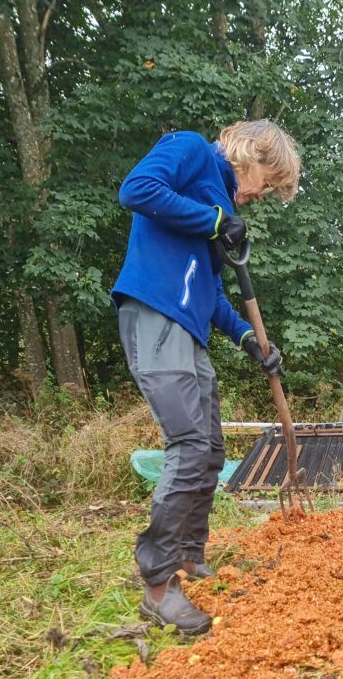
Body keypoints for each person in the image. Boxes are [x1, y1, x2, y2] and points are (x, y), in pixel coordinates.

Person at [113, 121, 301, 633]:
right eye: (268, 178)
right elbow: (136, 189)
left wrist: (249, 340)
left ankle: (190, 556)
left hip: (190, 329)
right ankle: (157, 585)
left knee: (212, 448)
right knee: (189, 445)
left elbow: (212, 296)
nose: (262, 193)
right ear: (250, 152)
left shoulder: (221, 208)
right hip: (154, 311)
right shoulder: (191, 150)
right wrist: (214, 218)